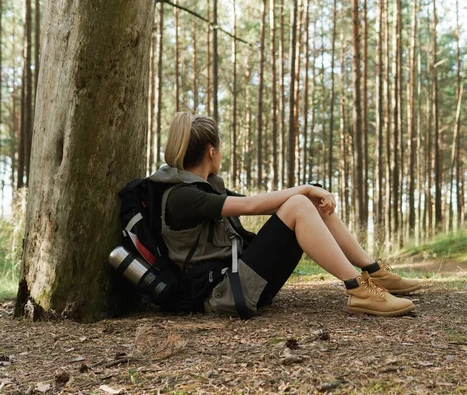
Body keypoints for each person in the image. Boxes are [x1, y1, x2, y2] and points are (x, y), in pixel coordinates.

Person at [148, 112, 422, 317]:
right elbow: (251, 206)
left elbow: (261, 204)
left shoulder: (203, 188)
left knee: (305, 202)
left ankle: (373, 272)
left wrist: (311, 193)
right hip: (221, 294)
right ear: (211, 151)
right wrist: (303, 190)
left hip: (235, 283)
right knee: (300, 203)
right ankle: (359, 289)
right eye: (220, 148)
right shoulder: (183, 196)